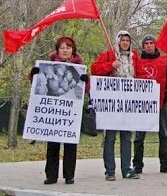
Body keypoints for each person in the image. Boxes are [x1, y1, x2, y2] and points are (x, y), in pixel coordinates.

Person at [30, 36, 88, 185]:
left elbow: (86, 90)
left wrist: (85, 80)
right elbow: (37, 84)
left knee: (70, 144)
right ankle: (51, 175)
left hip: (70, 112)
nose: (65, 50)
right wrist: (34, 74)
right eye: (62, 48)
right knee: (52, 144)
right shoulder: (48, 65)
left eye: (68, 48)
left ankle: (69, 175)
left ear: (73, 50)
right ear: (57, 50)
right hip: (53, 112)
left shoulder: (79, 67)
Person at [91, 30, 140, 181]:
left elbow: (140, 74)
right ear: (118, 41)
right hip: (112, 102)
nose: (125, 43)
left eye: (127, 40)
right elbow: (95, 69)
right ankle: (110, 171)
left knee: (126, 137)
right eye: (123, 40)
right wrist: (110, 65)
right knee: (110, 137)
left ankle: (126, 169)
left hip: (128, 102)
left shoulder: (134, 57)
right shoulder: (109, 55)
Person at [132, 34, 167, 175]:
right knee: (139, 137)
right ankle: (137, 165)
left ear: (155, 45)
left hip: (160, 102)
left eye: (152, 43)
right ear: (143, 46)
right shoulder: (137, 61)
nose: (149, 45)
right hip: (142, 104)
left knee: (163, 135)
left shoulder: (164, 60)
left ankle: (165, 164)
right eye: (147, 43)